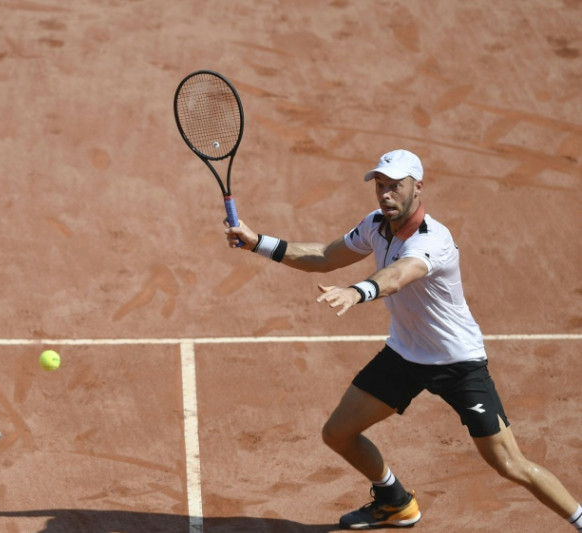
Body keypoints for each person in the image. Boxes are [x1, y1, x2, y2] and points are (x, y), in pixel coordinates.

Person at [224, 149, 582, 530]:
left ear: (418, 187)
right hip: (406, 355)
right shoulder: (375, 225)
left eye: (395, 186)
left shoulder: (434, 240)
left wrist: (356, 292)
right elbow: (326, 255)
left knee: (509, 464)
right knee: (338, 433)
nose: (385, 194)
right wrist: (257, 242)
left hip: (457, 363)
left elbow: (397, 275)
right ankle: (395, 502)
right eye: (380, 186)